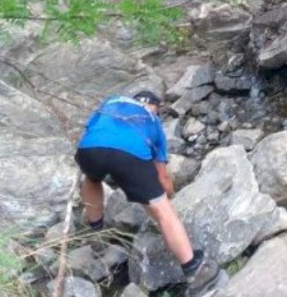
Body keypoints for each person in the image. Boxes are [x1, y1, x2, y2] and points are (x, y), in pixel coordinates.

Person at [75, 91, 222, 294]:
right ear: (155, 107)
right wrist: (168, 195)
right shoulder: (152, 121)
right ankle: (195, 272)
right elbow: (162, 176)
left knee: (91, 179)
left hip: (89, 148)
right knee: (164, 212)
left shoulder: (112, 100)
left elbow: (90, 128)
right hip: (129, 154)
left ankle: (96, 233)